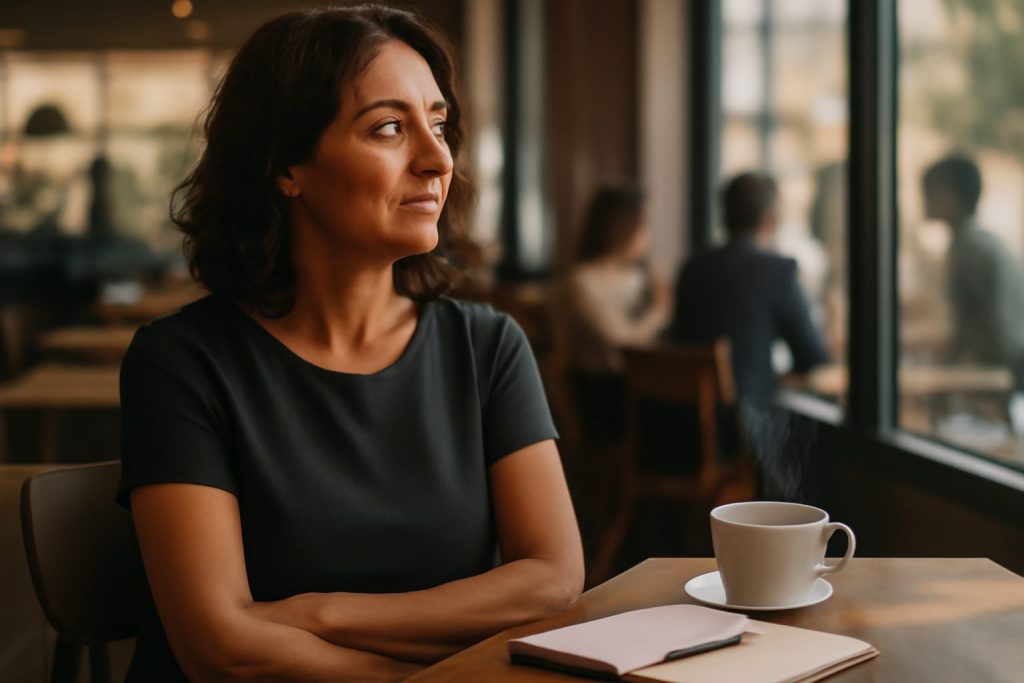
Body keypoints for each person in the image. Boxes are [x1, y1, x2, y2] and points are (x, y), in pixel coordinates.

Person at [117, 6, 583, 682]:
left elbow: (553, 580)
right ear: (287, 165)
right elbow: (219, 648)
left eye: (439, 124)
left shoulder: (487, 347)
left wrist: (318, 612)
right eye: (390, 128)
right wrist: (436, 668)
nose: (438, 159)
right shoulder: (182, 362)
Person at [667, 172, 829, 402]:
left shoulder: (691, 268)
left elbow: (678, 339)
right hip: (749, 417)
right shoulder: (776, 272)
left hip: (685, 413)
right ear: (771, 219)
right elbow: (812, 355)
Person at [555, 185, 671, 440]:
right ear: (621, 229)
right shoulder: (582, 282)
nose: (647, 237)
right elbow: (619, 341)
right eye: (643, 227)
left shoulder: (637, 278)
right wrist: (659, 312)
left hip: (630, 385)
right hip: (598, 391)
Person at [922, 154, 1024, 385]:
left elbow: (969, 333)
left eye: (929, 191)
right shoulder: (977, 241)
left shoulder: (970, 251)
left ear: (949, 196)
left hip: (1006, 369)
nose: (924, 199)